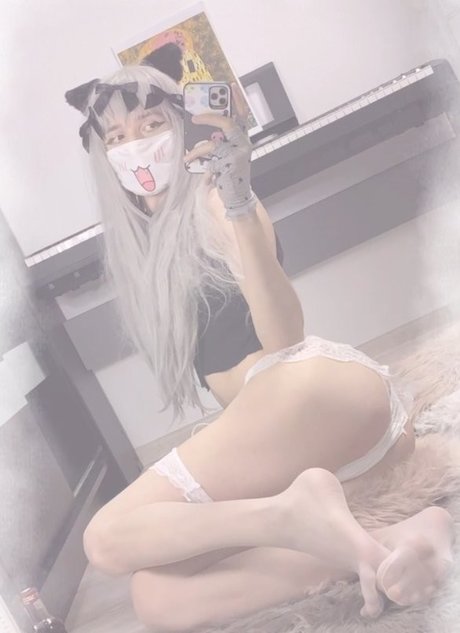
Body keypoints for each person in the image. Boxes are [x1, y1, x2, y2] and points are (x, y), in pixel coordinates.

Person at [65, 44, 455, 631]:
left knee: (106, 537)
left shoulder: (214, 200)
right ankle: (390, 541)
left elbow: (284, 338)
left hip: (307, 392)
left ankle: (291, 513)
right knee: (158, 597)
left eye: (149, 125)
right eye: (116, 136)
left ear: (179, 125)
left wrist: (240, 203)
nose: (134, 145)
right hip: (314, 445)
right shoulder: (148, 249)